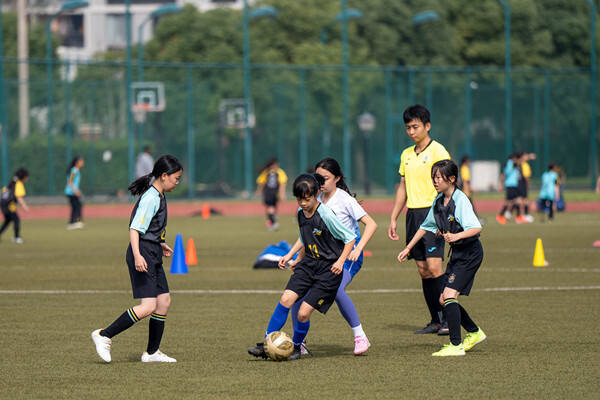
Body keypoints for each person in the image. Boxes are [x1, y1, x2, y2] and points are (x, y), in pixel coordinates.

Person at [247, 174, 355, 360]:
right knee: (285, 299)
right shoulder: (300, 212)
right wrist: (291, 256)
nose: (303, 203)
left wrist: (340, 262)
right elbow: (305, 237)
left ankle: (296, 348)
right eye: (299, 199)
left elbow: (350, 239)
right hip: (308, 265)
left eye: (307, 199)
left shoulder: (326, 215)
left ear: (316, 194)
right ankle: (266, 343)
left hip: (328, 270)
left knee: (303, 314)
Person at [91, 155, 183, 363]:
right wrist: (137, 255)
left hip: (152, 251)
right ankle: (104, 335)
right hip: (142, 253)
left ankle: (152, 353)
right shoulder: (151, 197)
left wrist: (160, 243)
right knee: (148, 306)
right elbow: (134, 228)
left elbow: (149, 228)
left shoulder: (159, 195)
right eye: (176, 178)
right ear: (164, 176)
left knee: (163, 302)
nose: (177, 182)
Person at [290, 158, 378, 355]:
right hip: (321, 258)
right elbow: (308, 234)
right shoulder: (314, 200)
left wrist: (358, 249)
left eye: (326, 178)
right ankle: (299, 343)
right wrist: (298, 258)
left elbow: (371, 224)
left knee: (336, 289)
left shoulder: (345, 200)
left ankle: (360, 336)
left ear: (337, 178)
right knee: (297, 292)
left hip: (347, 257)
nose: (321, 182)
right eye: (318, 177)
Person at [398, 159, 486, 356]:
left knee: (449, 296)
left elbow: (476, 227)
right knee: (443, 298)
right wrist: (408, 248)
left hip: (470, 253)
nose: (435, 181)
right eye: (433, 177)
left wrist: (456, 236)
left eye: (438, 177)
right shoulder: (438, 201)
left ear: (451, 179)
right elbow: (425, 226)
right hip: (458, 254)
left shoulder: (460, 200)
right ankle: (474, 332)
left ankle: (456, 345)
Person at [388, 104, 451, 335]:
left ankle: (448, 319)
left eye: (415, 127)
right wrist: (394, 217)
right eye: (408, 128)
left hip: (433, 214)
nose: (411, 131)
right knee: (423, 270)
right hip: (413, 215)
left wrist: (444, 214)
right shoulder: (406, 154)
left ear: (427, 126)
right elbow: (403, 187)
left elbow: (448, 185)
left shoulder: (438, 152)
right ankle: (435, 320)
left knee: (435, 267)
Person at [255, 157, 287, 230]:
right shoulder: (279, 172)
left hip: (268, 193)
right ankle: (272, 222)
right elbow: (282, 184)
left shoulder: (266, 172)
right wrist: (282, 194)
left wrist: (259, 191)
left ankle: (273, 222)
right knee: (272, 208)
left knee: (270, 208)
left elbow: (261, 183)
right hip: (274, 193)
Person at [0, 168, 30, 244]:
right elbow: (19, 197)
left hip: (3, 204)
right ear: (23, 177)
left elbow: (3, 191)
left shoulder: (12, 182)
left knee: (8, 220)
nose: (27, 179)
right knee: (16, 220)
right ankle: (16, 238)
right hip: (9, 205)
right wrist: (24, 206)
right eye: (27, 177)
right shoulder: (19, 184)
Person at [496, 153, 524, 224]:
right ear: (513, 158)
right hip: (510, 185)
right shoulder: (510, 163)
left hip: (514, 185)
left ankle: (518, 217)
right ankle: (500, 216)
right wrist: (500, 184)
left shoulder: (512, 164)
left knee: (517, 200)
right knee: (509, 202)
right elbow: (504, 174)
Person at [65, 156, 85, 230]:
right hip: (71, 192)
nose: (82, 163)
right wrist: (75, 190)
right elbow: (70, 181)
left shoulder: (76, 170)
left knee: (76, 206)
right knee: (77, 206)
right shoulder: (74, 170)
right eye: (81, 161)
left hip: (72, 191)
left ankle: (73, 222)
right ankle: (75, 222)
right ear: (77, 163)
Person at [517, 151, 535, 222]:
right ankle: (526, 215)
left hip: (518, 183)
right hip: (522, 183)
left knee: (519, 199)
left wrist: (529, 156)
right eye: (525, 155)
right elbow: (526, 176)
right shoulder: (524, 164)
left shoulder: (518, 163)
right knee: (525, 199)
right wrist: (528, 183)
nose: (526, 157)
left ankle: (519, 216)